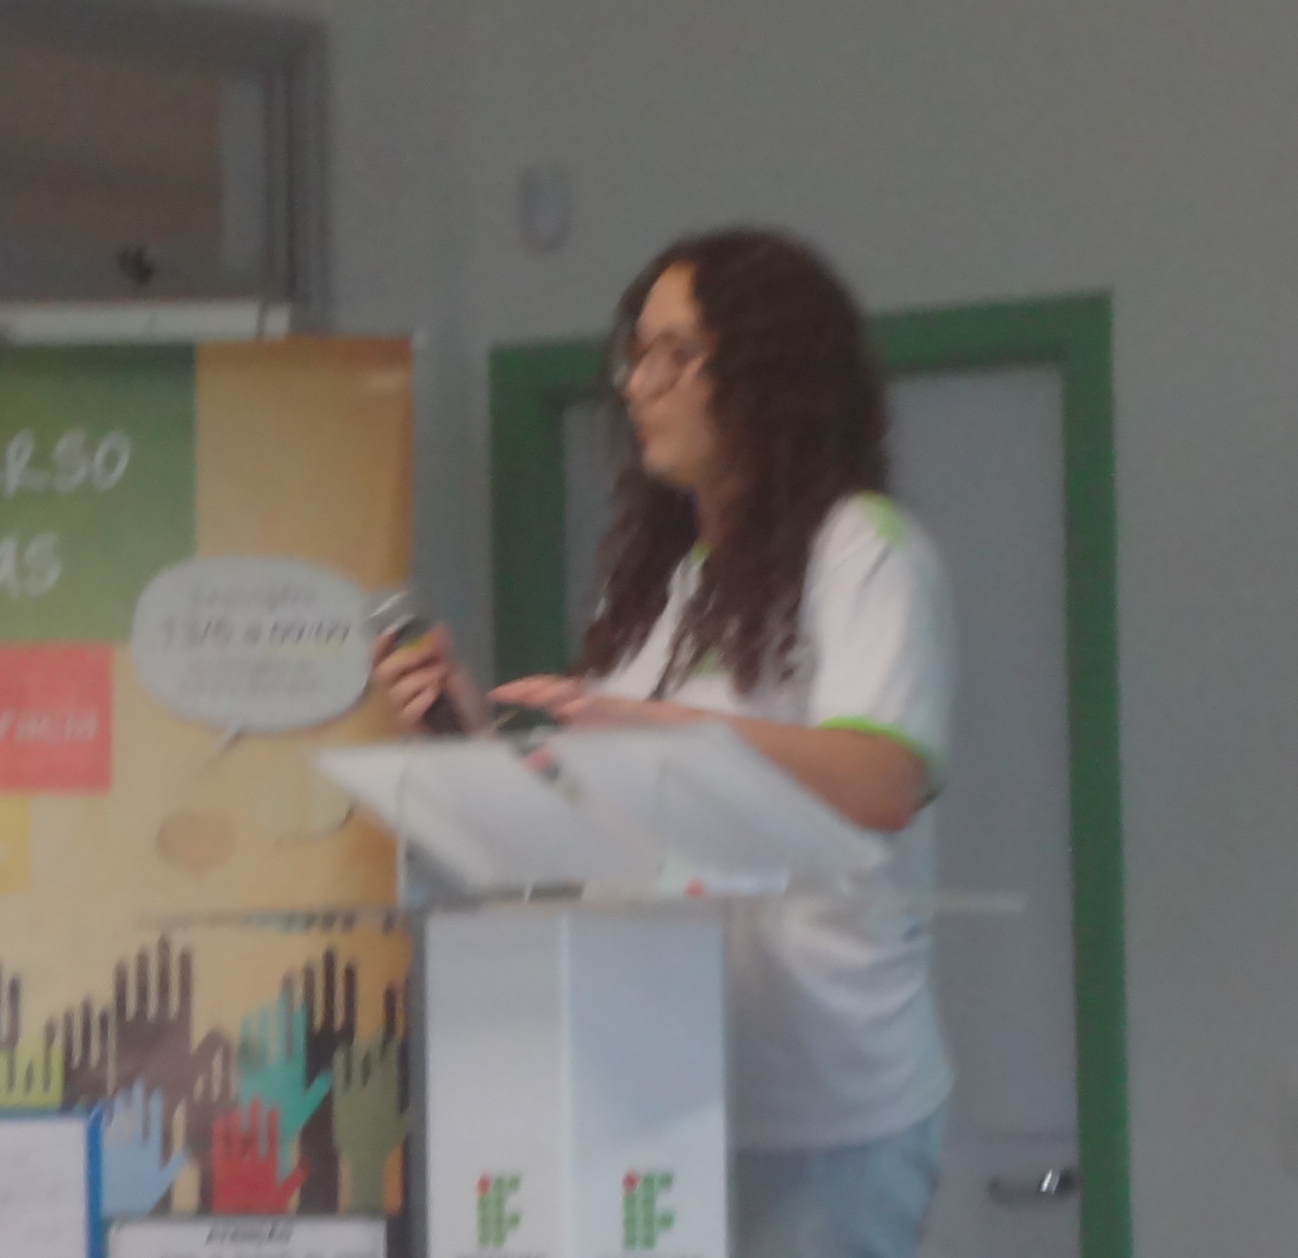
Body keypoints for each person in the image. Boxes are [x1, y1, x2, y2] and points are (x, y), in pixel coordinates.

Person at [373, 228, 954, 1258]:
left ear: (771, 373)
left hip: (823, 1115)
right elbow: (601, 837)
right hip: (657, 1088)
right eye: (634, 355)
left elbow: (882, 781)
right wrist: (467, 743)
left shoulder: (863, 550)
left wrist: (663, 728)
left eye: (675, 355)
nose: (638, 385)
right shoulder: (664, 590)